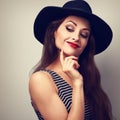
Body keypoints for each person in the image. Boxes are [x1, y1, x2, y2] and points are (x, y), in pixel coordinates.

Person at [29, 0, 113, 120]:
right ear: (55, 32)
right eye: (69, 28)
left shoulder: (87, 75)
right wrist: (77, 83)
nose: (76, 37)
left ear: (87, 43)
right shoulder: (41, 79)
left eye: (84, 34)